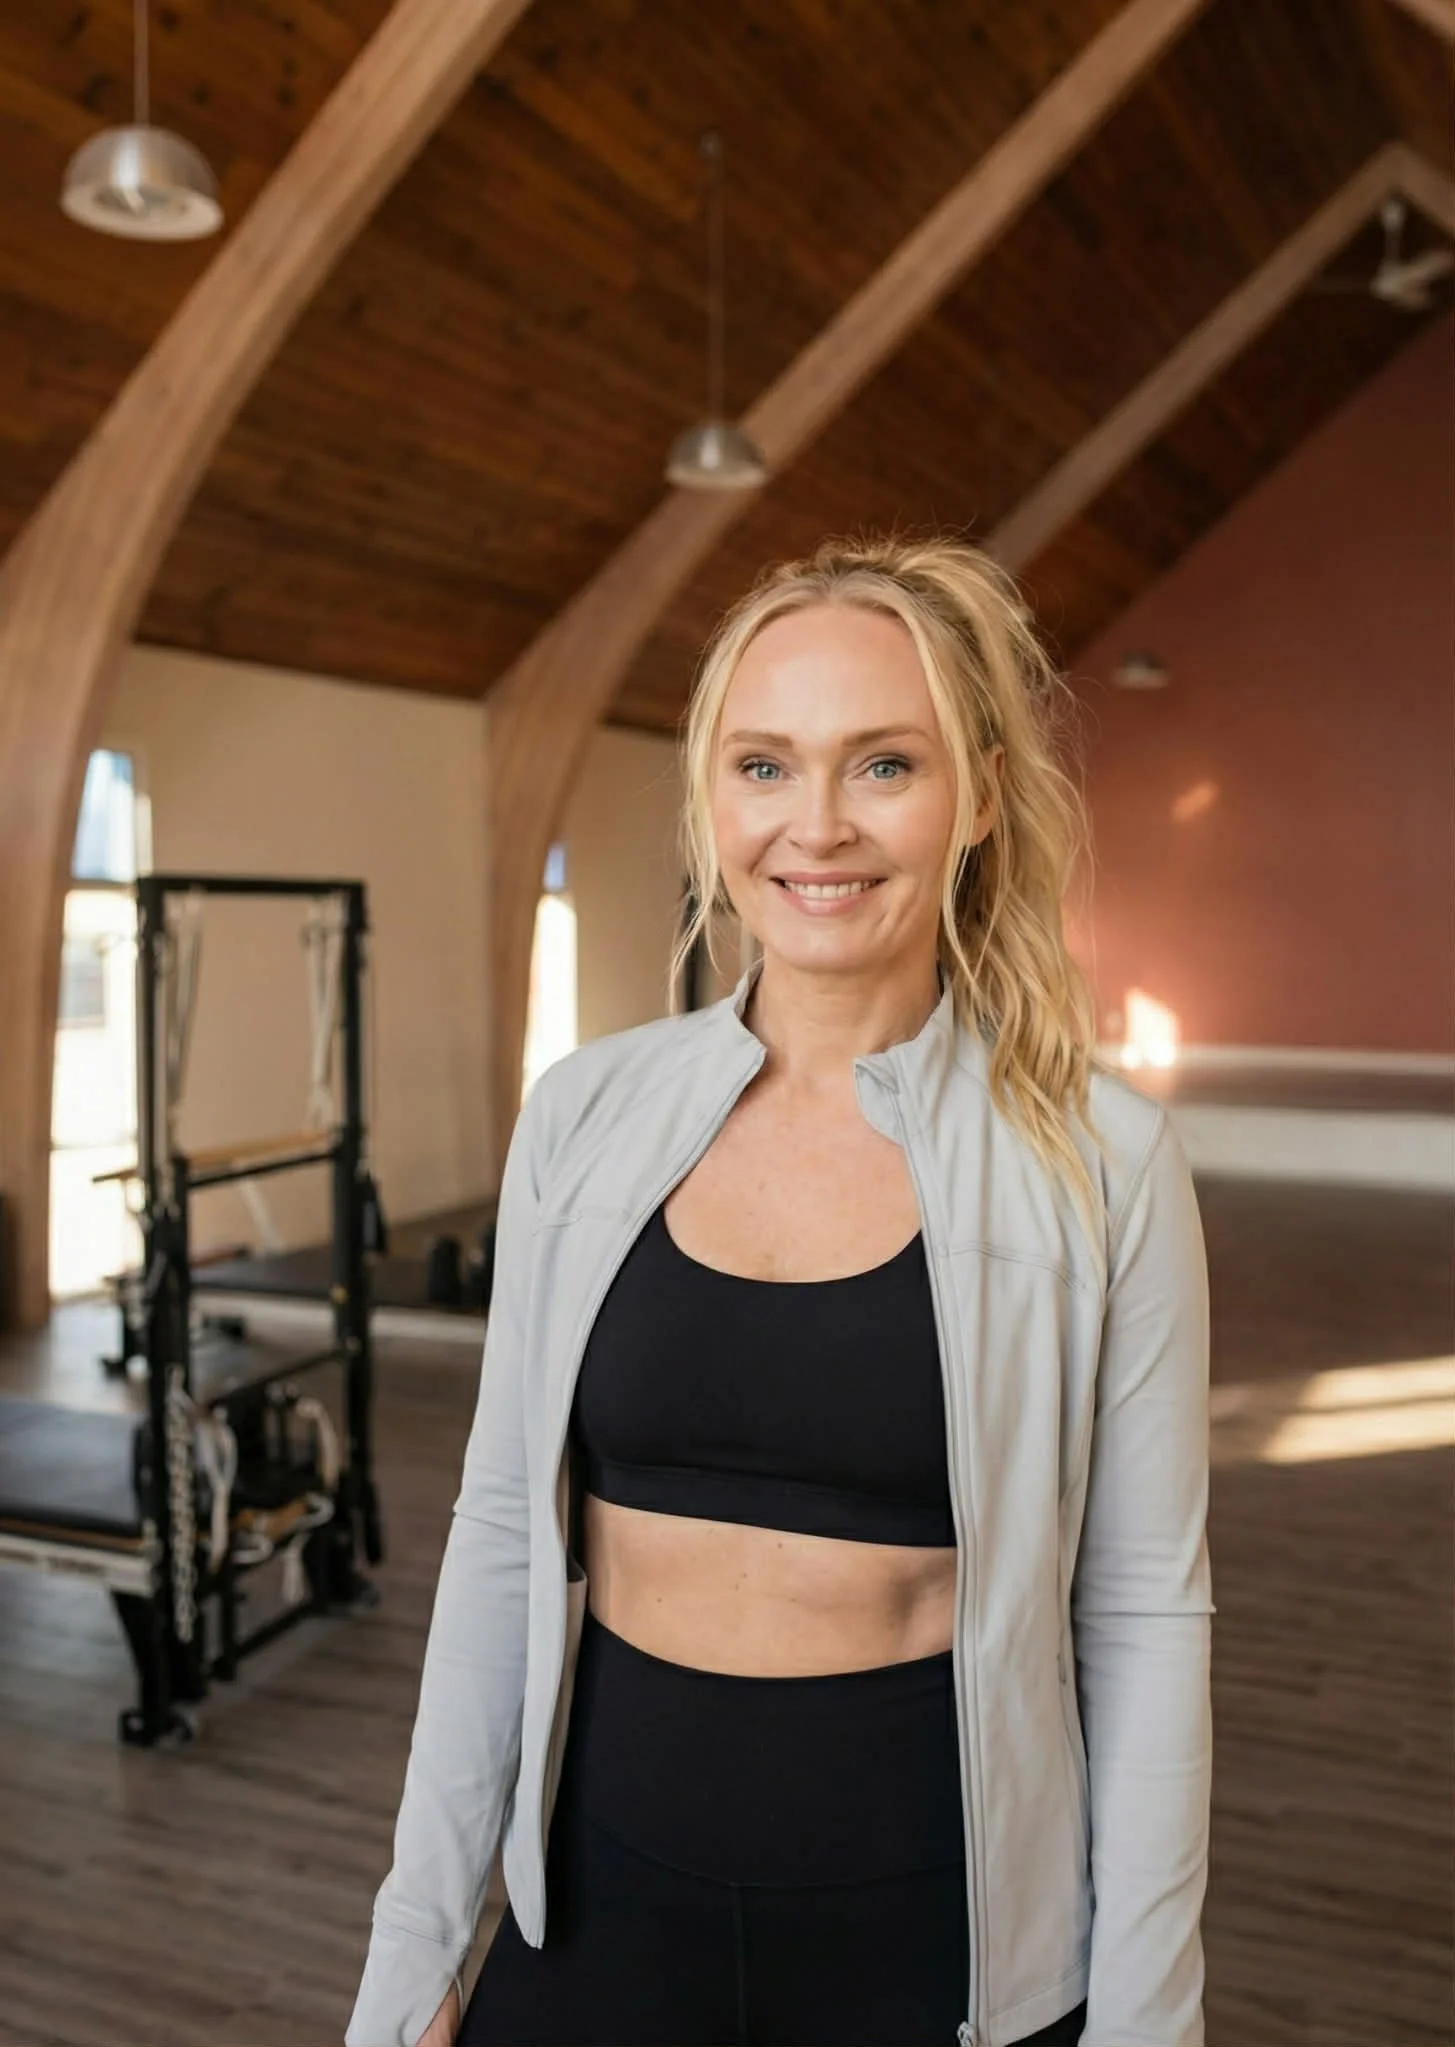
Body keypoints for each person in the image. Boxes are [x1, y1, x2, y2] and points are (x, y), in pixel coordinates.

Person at [346, 536, 1212, 2047]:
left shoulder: (1101, 1160)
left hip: (930, 1946)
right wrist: (414, 1942)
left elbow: (1142, 1613)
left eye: (882, 764)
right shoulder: (582, 1114)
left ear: (981, 797)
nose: (815, 825)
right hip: (600, 1916)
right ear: (710, 798)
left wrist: (1145, 2024)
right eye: (763, 765)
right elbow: (499, 1537)